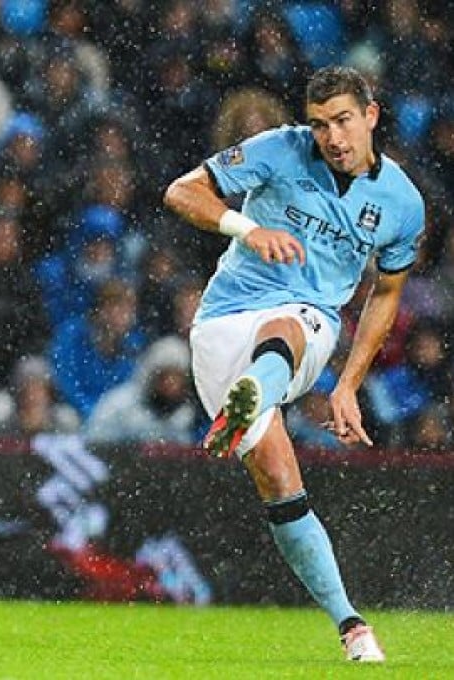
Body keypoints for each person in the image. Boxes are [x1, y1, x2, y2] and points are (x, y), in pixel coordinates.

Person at [164, 65, 424, 663]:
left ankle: (354, 628)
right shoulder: (279, 148)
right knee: (280, 483)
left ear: (371, 116)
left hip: (303, 326)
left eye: (342, 121)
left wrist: (349, 384)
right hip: (222, 325)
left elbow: (387, 292)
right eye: (319, 124)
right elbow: (181, 191)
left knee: (295, 319)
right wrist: (246, 227)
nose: (332, 138)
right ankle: (252, 391)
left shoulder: (402, 202)